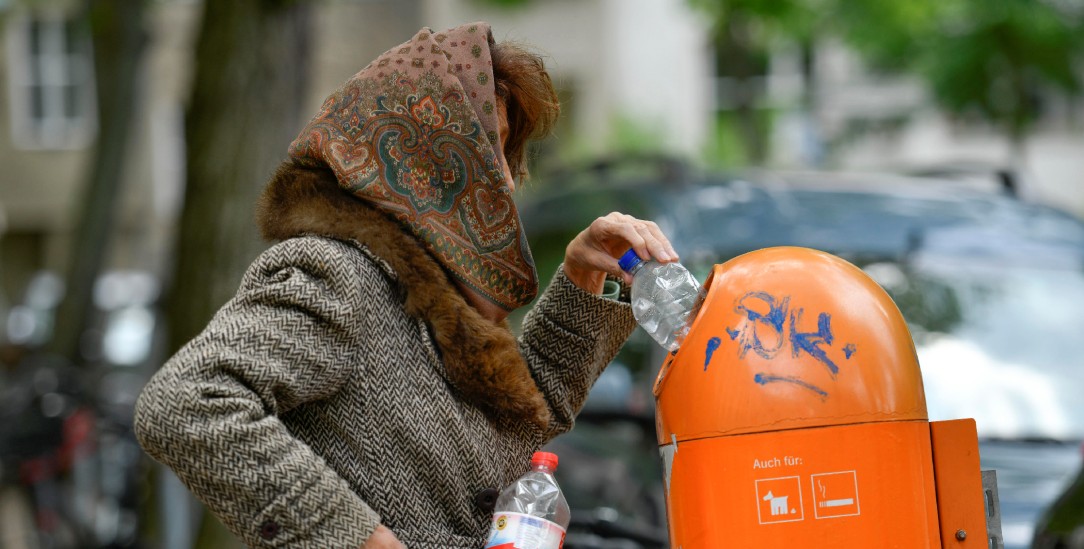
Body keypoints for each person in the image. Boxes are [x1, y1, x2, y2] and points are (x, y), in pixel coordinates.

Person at [134, 21, 678, 549]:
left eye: (508, 157)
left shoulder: (430, 292)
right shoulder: (335, 273)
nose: (508, 180)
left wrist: (583, 280)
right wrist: (359, 537)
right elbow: (186, 403)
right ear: (423, 152)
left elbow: (525, 423)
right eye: (492, 150)